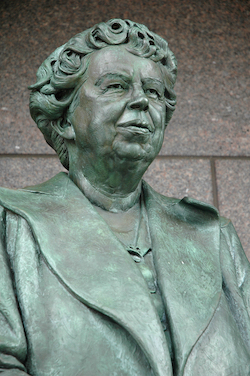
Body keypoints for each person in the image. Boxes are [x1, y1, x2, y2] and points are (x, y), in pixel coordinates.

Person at [0, 19, 250, 376]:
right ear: (64, 120)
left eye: (155, 92)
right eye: (116, 86)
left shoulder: (214, 235)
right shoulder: (11, 224)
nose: (142, 102)